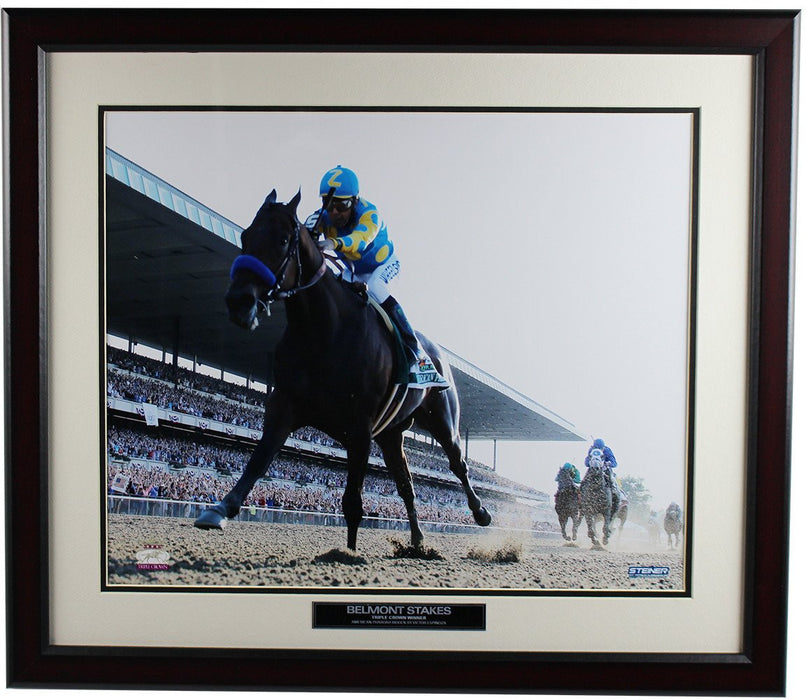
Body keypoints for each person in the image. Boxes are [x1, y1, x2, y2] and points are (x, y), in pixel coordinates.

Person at [305, 165, 449, 389]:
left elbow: (360, 240)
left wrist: (333, 243)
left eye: (341, 205)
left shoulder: (370, 214)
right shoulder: (323, 217)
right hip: (354, 270)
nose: (334, 213)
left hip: (385, 266)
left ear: (354, 200)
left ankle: (417, 356)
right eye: (329, 204)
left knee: (376, 288)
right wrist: (307, 231)